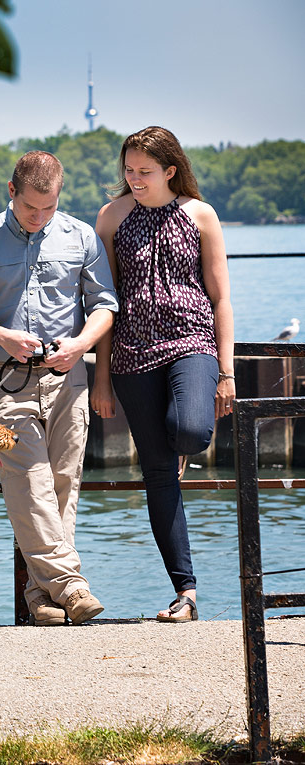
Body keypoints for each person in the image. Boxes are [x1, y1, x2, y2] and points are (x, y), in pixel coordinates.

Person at [0, 151, 119, 626]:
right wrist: (1, 335)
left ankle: (40, 596)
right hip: (4, 382)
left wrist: (79, 344)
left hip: (69, 377)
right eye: (30, 209)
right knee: (28, 482)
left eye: (49, 208)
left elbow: (104, 305)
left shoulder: (81, 236)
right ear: (11, 191)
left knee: (63, 483)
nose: (40, 218)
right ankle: (71, 586)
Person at [90, 126, 235, 623]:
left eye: (144, 172)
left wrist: (227, 370)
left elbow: (220, 297)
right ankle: (186, 592)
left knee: (192, 430)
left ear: (170, 170)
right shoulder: (110, 218)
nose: (134, 179)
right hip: (132, 351)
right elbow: (104, 306)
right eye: (128, 170)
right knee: (156, 473)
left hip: (192, 341)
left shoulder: (200, 215)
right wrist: (102, 379)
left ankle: (179, 453)